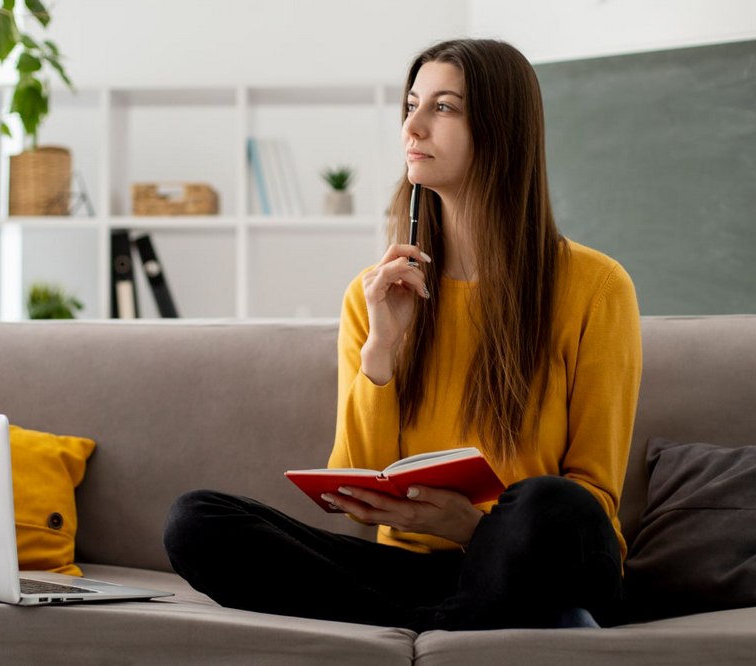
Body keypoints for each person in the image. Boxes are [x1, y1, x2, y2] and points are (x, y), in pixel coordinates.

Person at [164, 38, 642, 631]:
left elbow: (593, 495)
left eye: (443, 108)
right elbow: (357, 486)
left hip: (541, 556)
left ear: (501, 129)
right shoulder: (377, 293)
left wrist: (472, 527)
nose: (412, 126)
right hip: (415, 568)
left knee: (549, 502)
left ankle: (427, 624)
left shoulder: (596, 287)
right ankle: (446, 623)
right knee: (197, 522)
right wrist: (381, 351)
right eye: (411, 104)